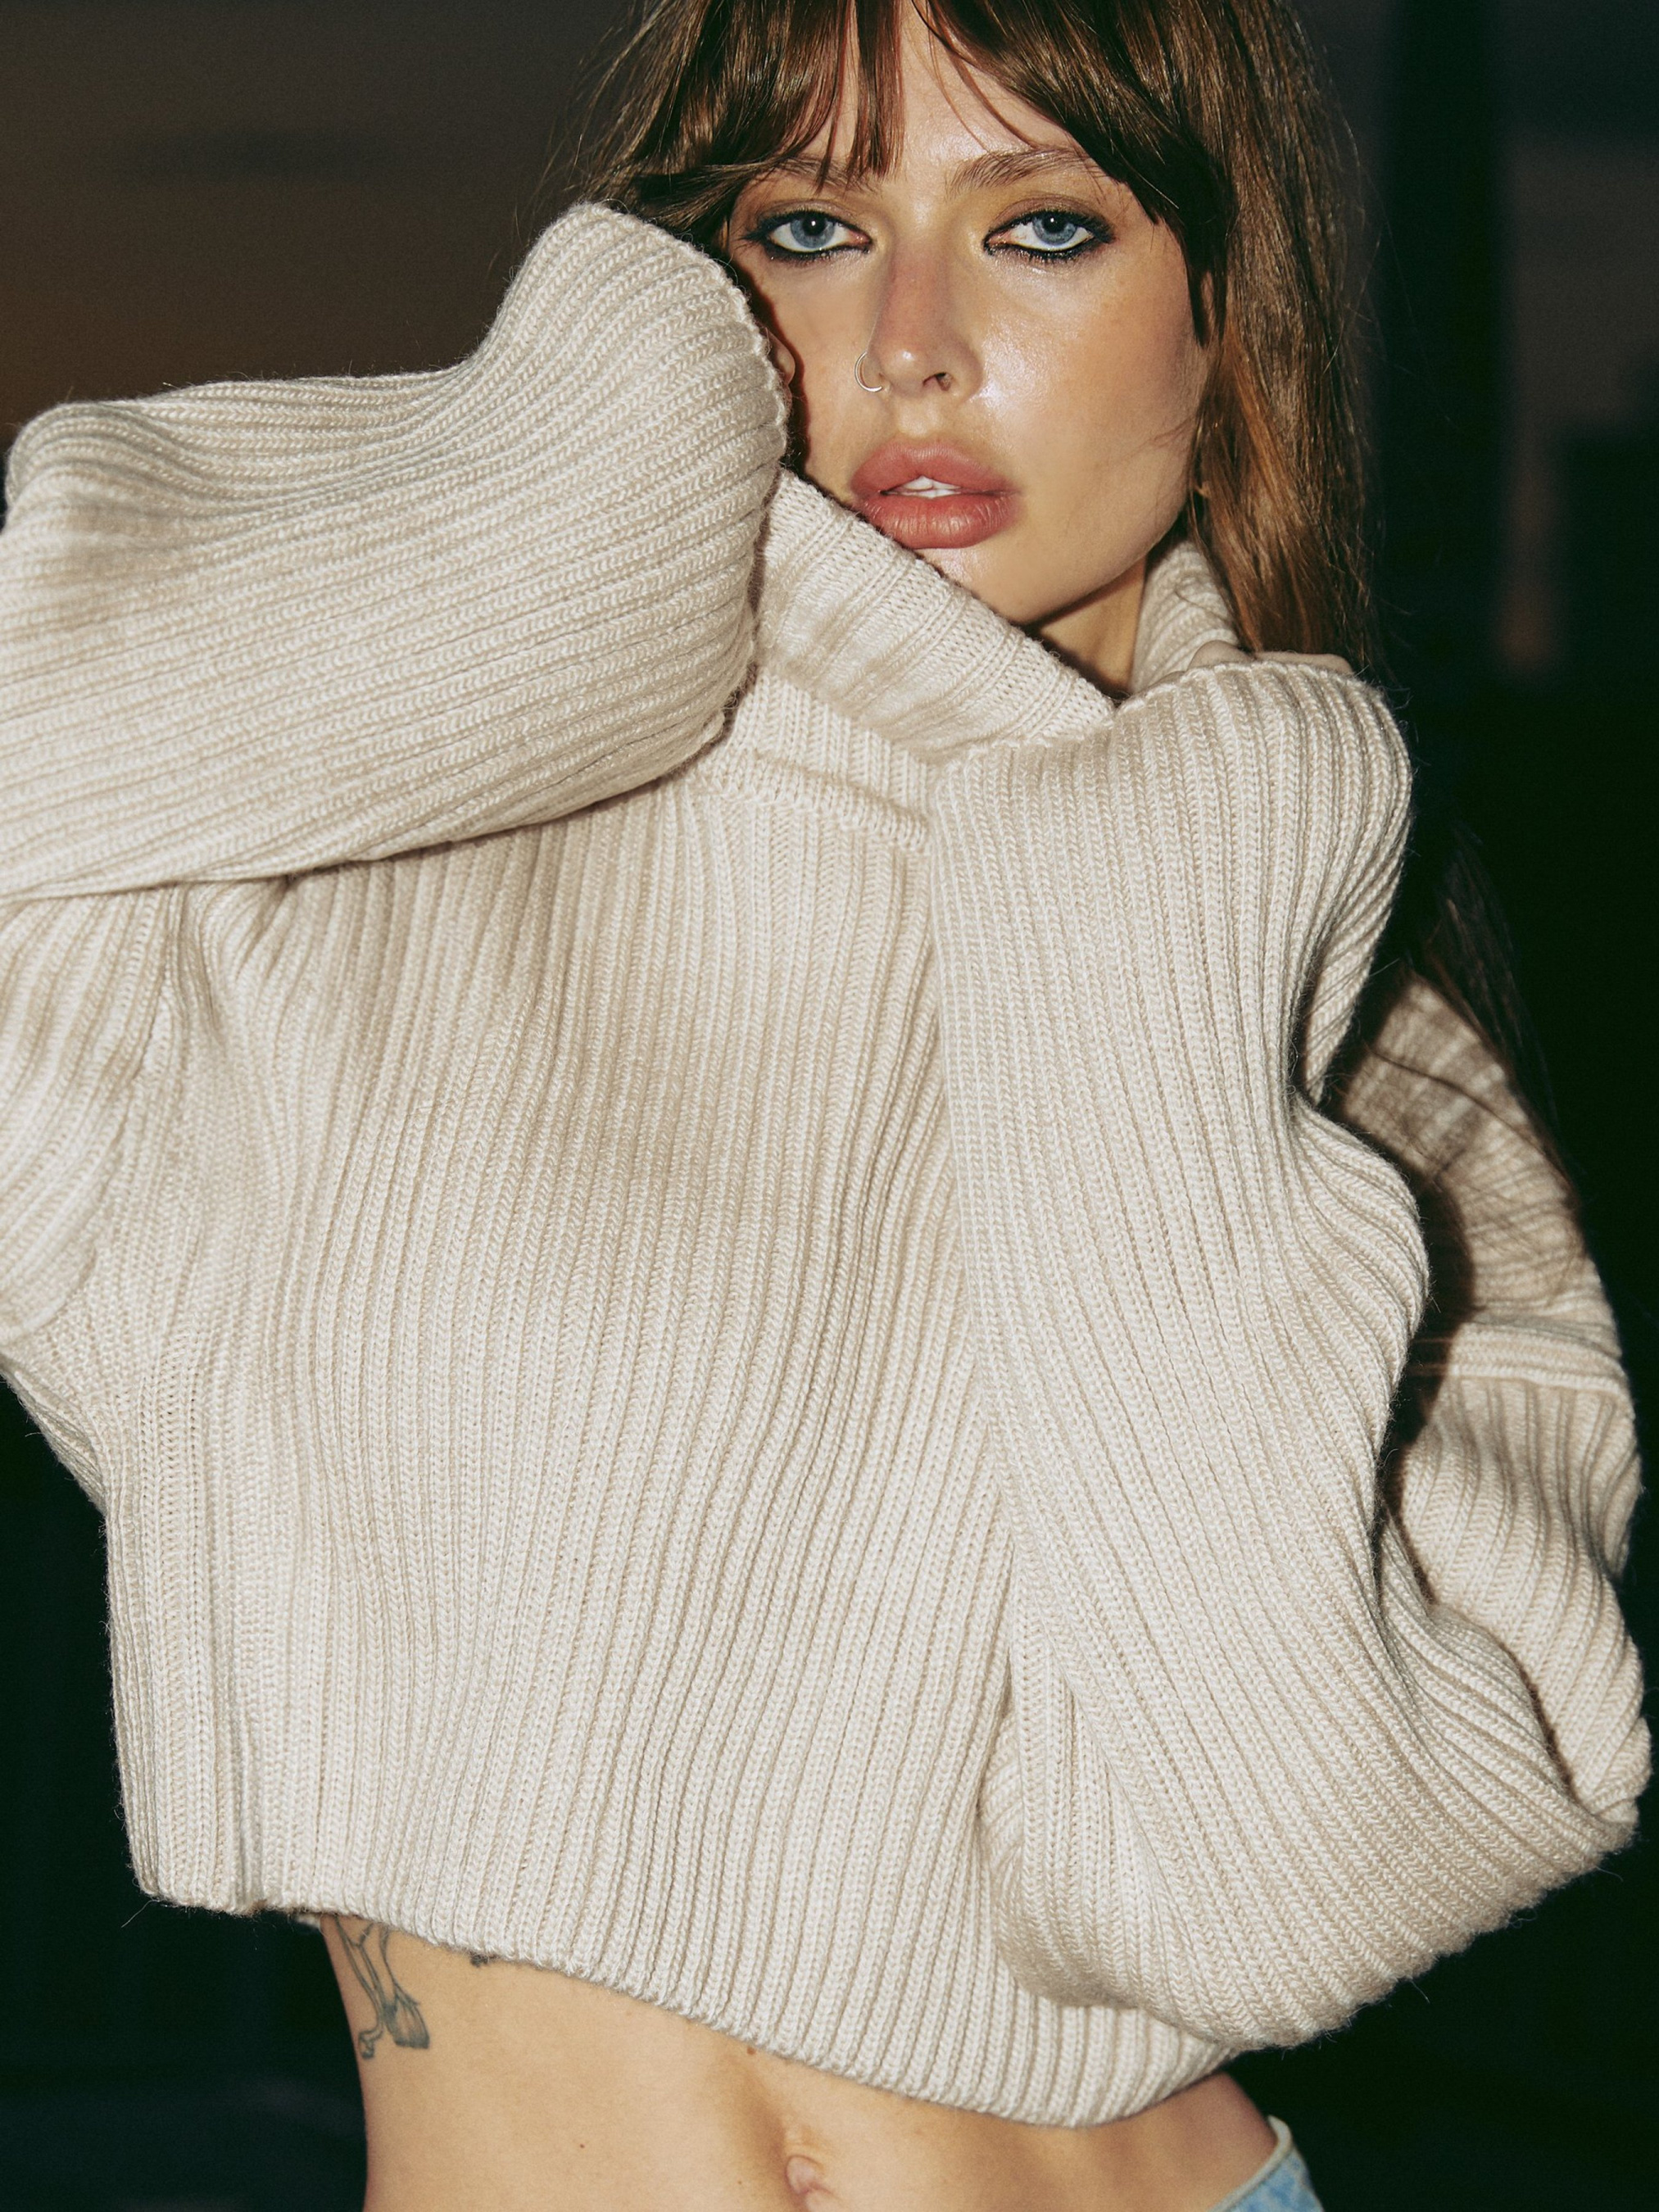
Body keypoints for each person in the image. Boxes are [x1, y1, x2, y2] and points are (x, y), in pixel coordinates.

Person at [0, 0, 1645, 2206]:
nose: (909, 345)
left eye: (1043, 226)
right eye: (808, 228)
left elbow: (1268, 1884)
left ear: (1223, 323)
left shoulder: (1348, 1020)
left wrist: (1157, 924)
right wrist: (577, 511)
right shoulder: (354, 857)